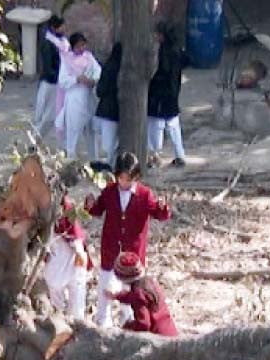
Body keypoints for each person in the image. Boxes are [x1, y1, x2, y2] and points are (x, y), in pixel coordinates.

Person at [84, 152, 171, 329]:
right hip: (111, 251)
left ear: (136, 177)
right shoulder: (109, 191)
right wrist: (90, 204)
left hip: (133, 256)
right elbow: (97, 210)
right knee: (105, 290)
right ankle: (103, 323)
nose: (124, 183)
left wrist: (163, 207)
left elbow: (159, 214)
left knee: (132, 296)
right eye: (121, 178)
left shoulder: (144, 194)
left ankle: (129, 325)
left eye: (128, 179)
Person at [44, 195, 90, 320]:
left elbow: (73, 231)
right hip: (56, 252)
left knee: (76, 293)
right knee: (54, 288)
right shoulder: (41, 208)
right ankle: (58, 320)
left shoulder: (66, 207)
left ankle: (76, 322)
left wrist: (78, 251)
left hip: (70, 255)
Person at [147, 22, 187, 168]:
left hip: (160, 95)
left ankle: (154, 156)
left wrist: (151, 83)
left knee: (156, 125)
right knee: (174, 125)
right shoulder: (177, 49)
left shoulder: (165, 51)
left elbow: (162, 70)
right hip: (173, 92)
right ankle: (180, 155)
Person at [56, 32, 101, 160]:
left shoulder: (89, 57)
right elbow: (62, 80)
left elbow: (98, 71)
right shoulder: (66, 60)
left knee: (91, 131)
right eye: (78, 46)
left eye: (83, 45)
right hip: (74, 98)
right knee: (73, 131)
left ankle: (94, 159)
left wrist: (93, 80)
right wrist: (77, 79)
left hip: (88, 97)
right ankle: (71, 159)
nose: (81, 49)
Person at [35, 15, 68, 141]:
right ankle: (35, 137)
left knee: (50, 113)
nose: (65, 28)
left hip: (57, 81)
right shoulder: (49, 42)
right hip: (51, 82)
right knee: (45, 113)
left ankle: (37, 137)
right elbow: (49, 66)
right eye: (62, 26)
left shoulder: (61, 41)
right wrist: (59, 77)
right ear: (55, 28)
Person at [95, 42, 122, 169]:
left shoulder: (109, 67)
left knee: (107, 144)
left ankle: (106, 167)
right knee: (114, 143)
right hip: (119, 111)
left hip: (106, 110)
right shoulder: (125, 69)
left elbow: (100, 90)